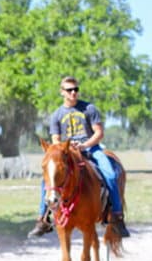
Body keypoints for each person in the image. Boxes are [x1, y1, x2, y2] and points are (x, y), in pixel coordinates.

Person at [28, 76, 130, 238]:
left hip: (92, 149)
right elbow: (55, 139)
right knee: (47, 181)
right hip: (68, 152)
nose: (73, 92)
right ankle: (42, 219)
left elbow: (99, 133)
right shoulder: (57, 115)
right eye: (69, 90)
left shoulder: (89, 109)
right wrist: (65, 148)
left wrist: (84, 145)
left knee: (110, 174)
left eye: (76, 89)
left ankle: (117, 217)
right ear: (62, 92)